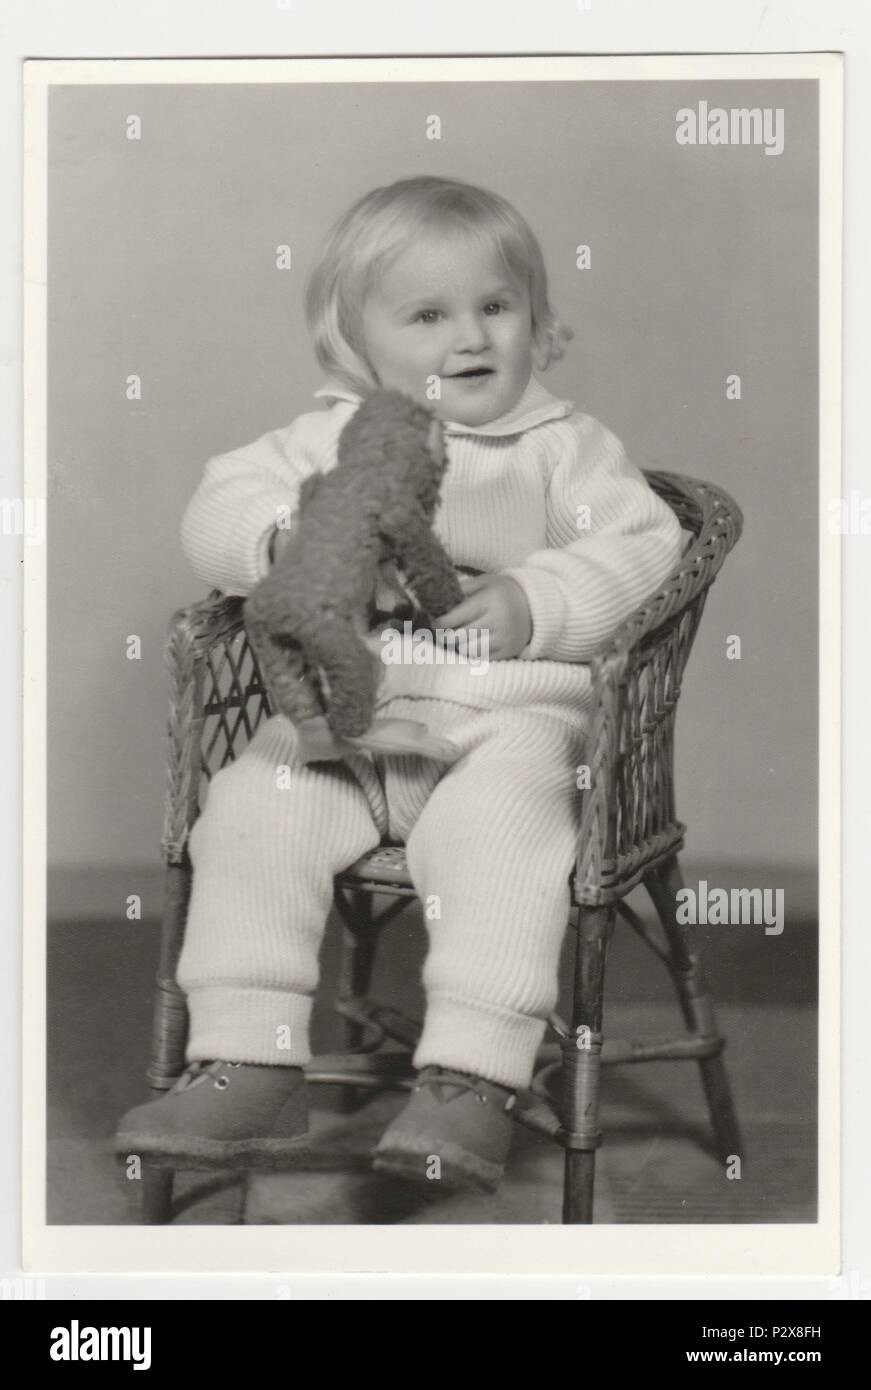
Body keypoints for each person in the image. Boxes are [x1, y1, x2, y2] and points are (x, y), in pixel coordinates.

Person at [116, 175, 685, 1194]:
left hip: (500, 725)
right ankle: (249, 1054)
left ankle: (470, 1076)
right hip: (348, 724)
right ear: (356, 345)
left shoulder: (562, 447)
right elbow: (217, 506)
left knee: (504, 834)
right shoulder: (333, 437)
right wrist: (288, 542)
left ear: (536, 325)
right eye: (427, 315)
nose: (469, 337)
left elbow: (646, 550)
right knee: (250, 807)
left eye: (496, 307)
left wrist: (535, 597)